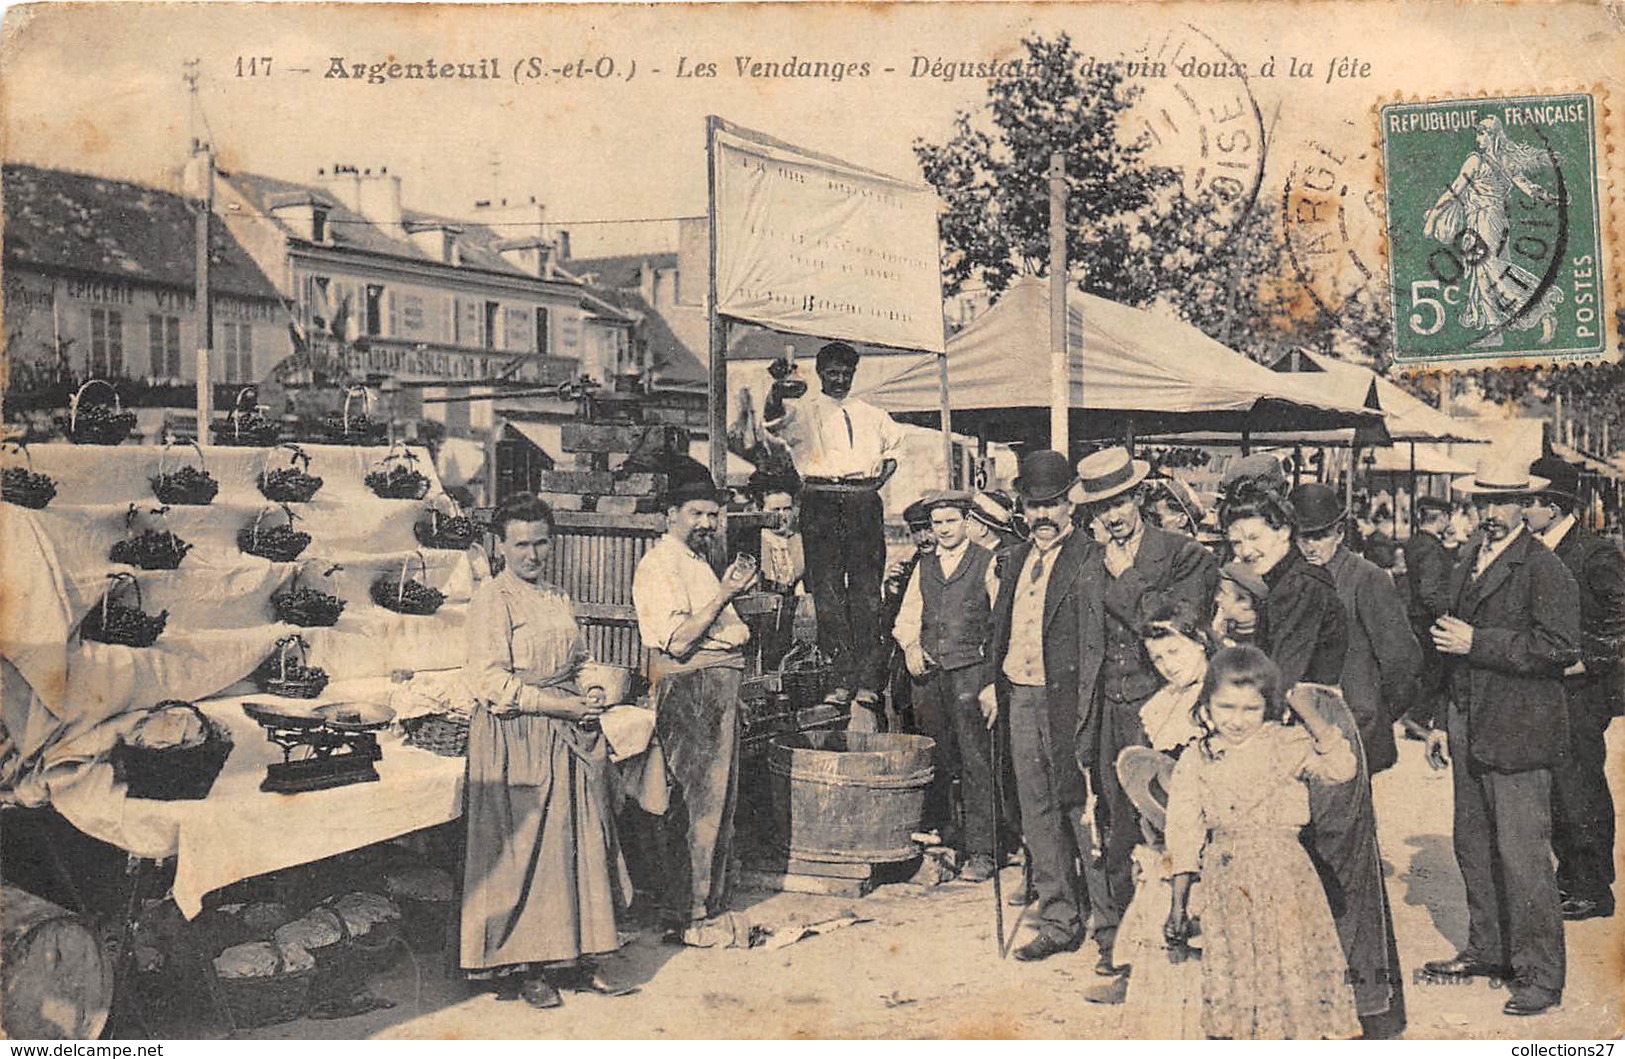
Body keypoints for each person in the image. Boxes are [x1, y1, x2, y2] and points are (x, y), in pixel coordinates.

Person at [461, 493, 638, 1007]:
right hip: (515, 735)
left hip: (564, 731)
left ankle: (583, 957)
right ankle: (525, 967)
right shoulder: (492, 600)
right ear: (499, 545)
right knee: (526, 855)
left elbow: (578, 658)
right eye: (521, 545)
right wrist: (558, 706)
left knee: (578, 846)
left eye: (541, 543)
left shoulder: (558, 597)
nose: (532, 555)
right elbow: (489, 681)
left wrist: (594, 685)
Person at [1422, 451, 1579, 1016]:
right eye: (1484, 502)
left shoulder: (1543, 568)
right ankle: (1489, 950)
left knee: (1523, 856)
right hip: (1468, 721)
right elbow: (1447, 645)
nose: (1492, 513)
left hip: (1518, 730)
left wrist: (1479, 643)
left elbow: (1561, 648)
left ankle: (1540, 976)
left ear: (1527, 506)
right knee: (1474, 845)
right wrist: (1440, 721)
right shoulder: (1470, 559)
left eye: (1504, 502)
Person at [1163, 647, 1362, 1040]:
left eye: (1249, 710)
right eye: (1226, 707)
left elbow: (1343, 768)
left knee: (1289, 968)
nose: (1236, 721)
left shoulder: (1286, 744)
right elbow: (1183, 833)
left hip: (1286, 882)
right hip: (1227, 885)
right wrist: (1178, 903)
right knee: (1239, 976)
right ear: (1206, 706)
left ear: (1267, 707)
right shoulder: (1197, 758)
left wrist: (1311, 716)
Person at [1071, 447, 1218, 975]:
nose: (1113, 516)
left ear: (1139, 497)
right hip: (1107, 708)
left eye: (1122, 501)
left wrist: (1126, 575)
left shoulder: (1185, 555)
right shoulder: (1086, 559)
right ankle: (1117, 940)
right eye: (1101, 508)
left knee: (1169, 822)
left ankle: (1175, 935)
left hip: (1166, 708)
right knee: (1112, 826)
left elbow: (1176, 628)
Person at [977, 449, 1102, 962]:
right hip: (1019, 696)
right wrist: (992, 683)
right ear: (1022, 509)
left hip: (1068, 700)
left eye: (1052, 504)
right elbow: (999, 628)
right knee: (1037, 810)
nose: (1043, 516)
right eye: (1033, 506)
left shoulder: (1089, 558)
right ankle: (1058, 918)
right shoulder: (1014, 559)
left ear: (1071, 502)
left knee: (1081, 807)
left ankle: (1110, 922)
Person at [632, 458, 758, 947]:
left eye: (712, 516)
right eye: (696, 514)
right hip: (692, 690)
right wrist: (725, 595)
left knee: (719, 802)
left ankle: (706, 905)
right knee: (697, 805)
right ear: (671, 515)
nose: (706, 524)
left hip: (718, 687)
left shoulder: (696, 562)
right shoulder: (658, 565)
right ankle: (689, 913)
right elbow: (679, 641)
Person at [765, 340, 906, 724]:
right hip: (821, 501)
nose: (840, 380)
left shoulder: (872, 414)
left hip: (862, 502)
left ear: (853, 375)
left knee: (867, 594)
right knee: (827, 593)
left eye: (846, 374)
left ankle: (868, 681)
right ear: (821, 374)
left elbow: (894, 450)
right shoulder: (804, 412)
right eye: (833, 373)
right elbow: (772, 418)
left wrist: (875, 483)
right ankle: (840, 678)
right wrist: (777, 388)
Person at [1527, 456, 1624, 921]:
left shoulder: (1594, 554)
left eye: (1529, 500)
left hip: (1584, 691)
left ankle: (1593, 887)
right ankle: (1570, 878)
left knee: (1580, 785)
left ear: (1553, 505)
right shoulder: (1536, 550)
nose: (1523, 509)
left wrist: (1587, 661)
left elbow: (1620, 621)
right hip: (1547, 687)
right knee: (1556, 788)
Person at [892, 490, 1006, 881]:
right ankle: (944, 841)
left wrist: (990, 675)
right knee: (937, 758)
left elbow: (999, 623)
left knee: (976, 761)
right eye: (936, 523)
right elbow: (907, 617)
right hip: (930, 679)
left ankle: (984, 851)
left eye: (950, 522)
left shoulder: (988, 563)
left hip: (970, 675)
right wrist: (910, 646)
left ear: (967, 522)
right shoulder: (924, 566)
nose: (943, 530)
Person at [1290, 482, 1422, 775]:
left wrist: (1376, 710)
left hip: (1355, 725)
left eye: (1320, 536)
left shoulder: (1367, 578)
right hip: (1301, 725)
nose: (1310, 546)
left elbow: (1402, 659)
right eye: (1302, 537)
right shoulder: (1292, 579)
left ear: (1338, 533)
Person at [1422, 114, 1564, 348]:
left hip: (1483, 220)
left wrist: (1433, 219)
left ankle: (1536, 308)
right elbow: (1528, 188)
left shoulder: (1475, 161)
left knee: (1489, 270)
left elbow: (1454, 191)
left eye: (1481, 133)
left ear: (1491, 136)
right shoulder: (1506, 161)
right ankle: (1512, 321)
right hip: (1497, 221)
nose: (1478, 138)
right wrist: (1546, 196)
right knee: (1491, 271)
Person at [1218, 472, 1347, 686]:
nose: (1246, 551)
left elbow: (1282, 676)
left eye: (1254, 537)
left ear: (1284, 531)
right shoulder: (1290, 580)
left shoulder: (1299, 586)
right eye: (1236, 543)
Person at [1401, 495, 1457, 737]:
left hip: (1417, 617)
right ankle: (1417, 718)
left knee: (1427, 668)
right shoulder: (1432, 548)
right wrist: (1447, 615)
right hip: (1430, 619)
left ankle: (1418, 718)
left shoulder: (1416, 543)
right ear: (1442, 517)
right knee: (1437, 671)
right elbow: (1430, 590)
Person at [740, 469, 805, 671]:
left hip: (789, 624)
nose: (781, 516)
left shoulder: (799, 541)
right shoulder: (752, 542)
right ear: (760, 509)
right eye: (774, 510)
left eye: (787, 509)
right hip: (756, 626)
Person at [1212, 560, 1267, 648]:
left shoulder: (1262, 644)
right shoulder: (1226, 633)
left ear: (1245, 601)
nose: (1217, 598)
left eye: (1223, 592)